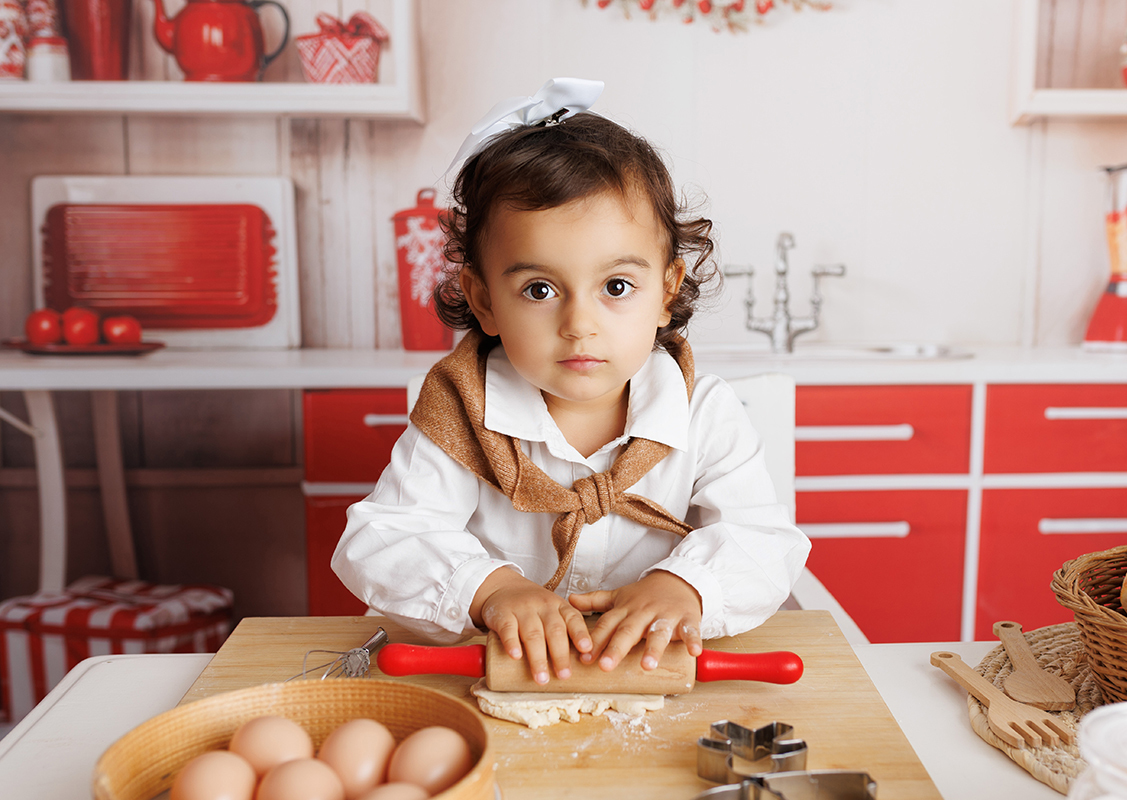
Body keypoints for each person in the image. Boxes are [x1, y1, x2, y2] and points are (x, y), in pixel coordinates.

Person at [332, 78, 810, 688]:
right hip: (499, 682)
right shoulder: (460, 411)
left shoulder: (704, 412)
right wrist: (492, 589)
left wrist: (684, 586)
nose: (579, 325)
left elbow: (764, 541)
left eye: (616, 287)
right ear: (483, 300)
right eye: (539, 289)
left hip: (657, 683)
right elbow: (380, 539)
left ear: (666, 289)